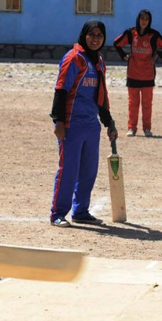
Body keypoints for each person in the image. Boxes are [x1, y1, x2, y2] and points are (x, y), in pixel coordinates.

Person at [49, 20, 118, 227]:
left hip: (91, 124)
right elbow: (60, 91)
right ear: (84, 35)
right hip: (71, 124)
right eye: (92, 35)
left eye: (99, 35)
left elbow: (101, 96)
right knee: (68, 170)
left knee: (89, 171)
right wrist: (58, 122)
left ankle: (80, 211)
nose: (95, 39)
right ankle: (57, 214)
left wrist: (109, 122)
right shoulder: (73, 59)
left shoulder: (98, 62)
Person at [113, 9, 162, 137]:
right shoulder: (131, 33)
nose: (144, 21)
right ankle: (132, 128)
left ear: (149, 21)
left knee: (147, 104)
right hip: (133, 73)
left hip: (148, 73)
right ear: (138, 19)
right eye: (142, 19)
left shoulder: (154, 35)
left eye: (146, 19)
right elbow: (116, 43)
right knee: (133, 103)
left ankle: (147, 128)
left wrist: (158, 55)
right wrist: (124, 56)